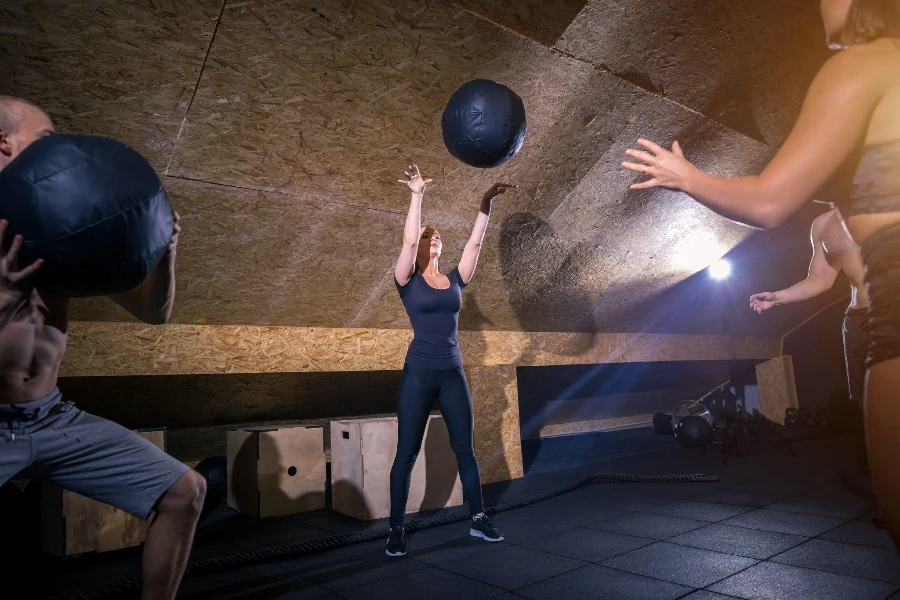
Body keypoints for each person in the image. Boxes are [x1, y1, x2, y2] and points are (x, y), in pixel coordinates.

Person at [620, 0, 900, 544]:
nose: (822, 5)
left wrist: (686, 176)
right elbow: (823, 268)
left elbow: (771, 201)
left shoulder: (860, 66)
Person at [0, 96, 206, 600]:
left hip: (50, 417)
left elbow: (152, 313)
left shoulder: (60, 226)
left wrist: (163, 254)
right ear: (4, 144)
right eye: (47, 141)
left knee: (185, 491)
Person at [386, 164, 515, 557]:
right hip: (419, 373)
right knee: (406, 453)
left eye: (437, 235)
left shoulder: (456, 280)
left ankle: (478, 519)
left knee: (466, 449)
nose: (433, 238)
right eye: (429, 236)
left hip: (453, 373)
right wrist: (416, 194)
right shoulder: (406, 279)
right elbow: (408, 243)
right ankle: (396, 528)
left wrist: (484, 205)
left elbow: (474, 247)